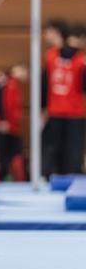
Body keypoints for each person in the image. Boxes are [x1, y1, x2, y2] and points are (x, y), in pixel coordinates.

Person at [42, 22, 86, 176]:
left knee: (56, 148)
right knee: (70, 149)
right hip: (71, 112)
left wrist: (43, 107)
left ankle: (52, 175)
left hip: (59, 110)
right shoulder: (81, 59)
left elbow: (44, 85)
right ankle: (67, 176)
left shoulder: (52, 55)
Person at [0, 65, 28, 181]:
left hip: (11, 126)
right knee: (3, 155)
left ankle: (14, 178)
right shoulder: (5, 81)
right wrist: (2, 121)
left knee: (14, 153)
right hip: (3, 125)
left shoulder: (12, 83)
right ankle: (2, 179)